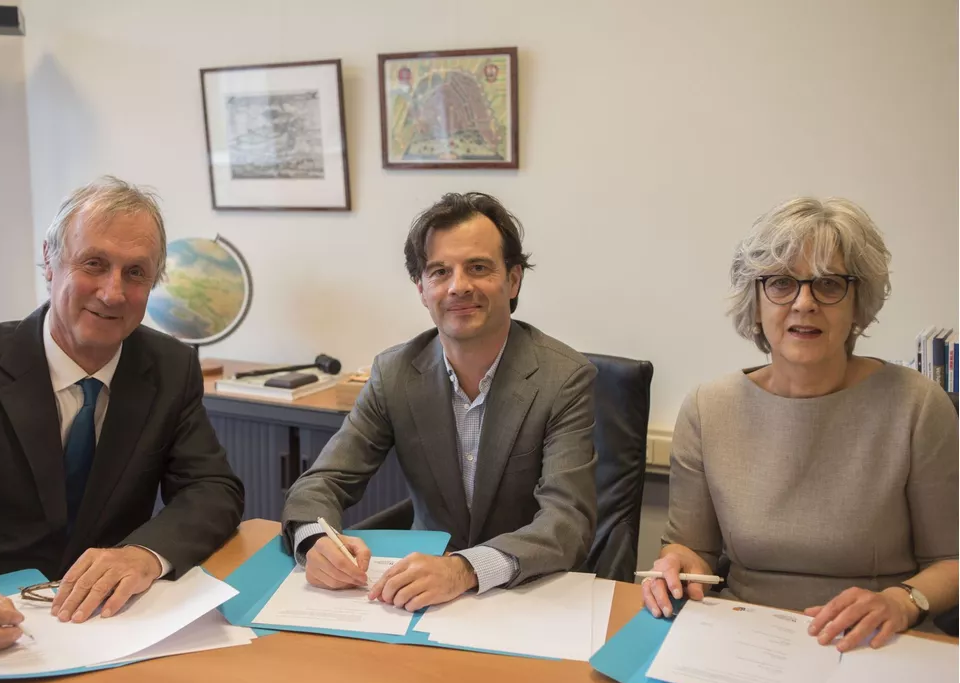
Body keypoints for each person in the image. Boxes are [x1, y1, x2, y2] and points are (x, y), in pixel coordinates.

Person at [0, 176, 244, 654]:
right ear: (50, 261)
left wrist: (144, 554)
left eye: (136, 273)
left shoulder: (170, 366)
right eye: (94, 264)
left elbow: (212, 489)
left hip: (114, 625)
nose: (112, 292)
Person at [643, 197, 958, 652]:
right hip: (742, 638)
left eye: (829, 284)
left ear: (858, 305)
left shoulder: (916, 405)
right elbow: (692, 550)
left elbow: (951, 561)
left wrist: (901, 601)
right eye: (782, 283)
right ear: (754, 303)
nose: (804, 303)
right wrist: (672, 567)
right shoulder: (708, 407)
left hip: (877, 642)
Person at [281, 192, 597, 612]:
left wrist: (464, 570)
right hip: (422, 598)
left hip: (528, 596)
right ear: (422, 288)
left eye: (479, 268)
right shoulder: (394, 373)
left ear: (514, 279)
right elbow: (322, 482)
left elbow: (566, 523)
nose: (458, 286)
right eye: (439, 271)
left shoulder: (563, 378)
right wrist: (315, 540)